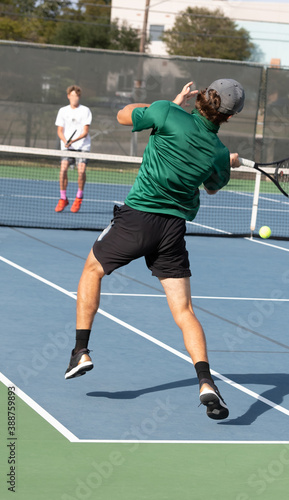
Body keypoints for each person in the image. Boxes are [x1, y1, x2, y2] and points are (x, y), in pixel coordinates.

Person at [64, 79, 245, 420]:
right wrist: (228, 161)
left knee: (92, 270)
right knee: (184, 311)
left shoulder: (165, 112)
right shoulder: (218, 152)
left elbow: (122, 115)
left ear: (203, 96)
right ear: (229, 117)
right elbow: (213, 187)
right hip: (172, 231)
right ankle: (206, 382)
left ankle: (80, 351)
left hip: (138, 219)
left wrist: (170, 104)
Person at [54, 85, 92, 213]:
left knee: (81, 171)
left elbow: (85, 132)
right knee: (63, 169)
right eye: (72, 95)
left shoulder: (85, 110)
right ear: (68, 96)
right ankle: (63, 198)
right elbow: (60, 130)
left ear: (79, 97)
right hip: (67, 147)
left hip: (82, 146)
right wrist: (65, 141)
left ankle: (79, 197)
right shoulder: (63, 111)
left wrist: (73, 141)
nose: (74, 98)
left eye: (76, 96)